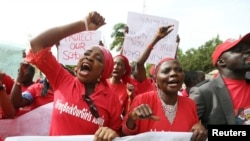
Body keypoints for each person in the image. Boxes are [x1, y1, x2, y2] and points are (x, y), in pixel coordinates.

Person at [26, 11, 122, 141]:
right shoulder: (62, 79)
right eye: (86, 53)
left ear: (103, 72)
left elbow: (118, 133)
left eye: (98, 58)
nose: (89, 57)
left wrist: (112, 133)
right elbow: (37, 43)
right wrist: (82, 25)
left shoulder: (112, 99)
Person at [121, 57, 207, 141]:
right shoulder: (142, 99)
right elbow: (125, 135)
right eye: (166, 71)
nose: (174, 73)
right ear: (156, 79)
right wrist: (132, 118)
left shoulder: (190, 104)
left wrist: (199, 129)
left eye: (179, 70)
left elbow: (196, 129)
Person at [189, 32, 250, 128]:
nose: (247, 52)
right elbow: (185, 127)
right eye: (239, 50)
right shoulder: (203, 92)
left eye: (248, 49)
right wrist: (196, 126)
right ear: (221, 62)